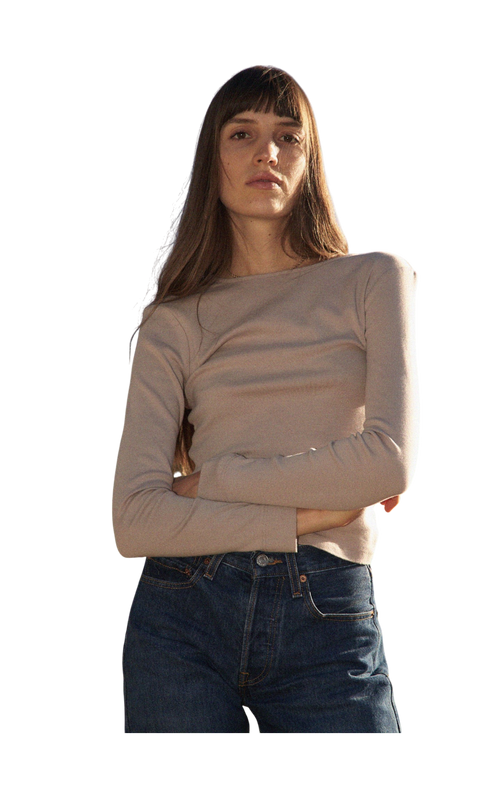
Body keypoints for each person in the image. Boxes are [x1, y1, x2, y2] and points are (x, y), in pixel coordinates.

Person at [112, 63, 422, 736]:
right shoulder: (172, 319)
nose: (267, 153)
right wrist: (309, 512)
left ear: (310, 160)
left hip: (328, 612)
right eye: (242, 133)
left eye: (287, 136)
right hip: (183, 612)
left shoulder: (376, 278)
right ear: (212, 158)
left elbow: (389, 461)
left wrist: (210, 483)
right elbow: (133, 522)